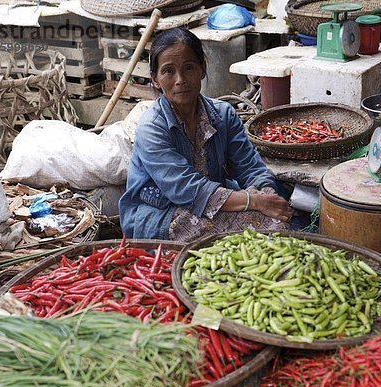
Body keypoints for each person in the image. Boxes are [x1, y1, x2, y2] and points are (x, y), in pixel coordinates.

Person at [119, 27, 293, 242]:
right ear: (155, 79)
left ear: (202, 69)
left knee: (276, 219)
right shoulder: (152, 128)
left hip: (213, 202)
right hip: (162, 213)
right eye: (168, 71)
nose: (180, 79)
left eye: (189, 68)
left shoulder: (223, 115)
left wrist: (267, 196)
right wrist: (254, 201)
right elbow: (184, 188)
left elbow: (249, 166)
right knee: (249, 233)